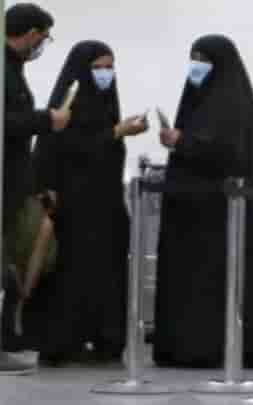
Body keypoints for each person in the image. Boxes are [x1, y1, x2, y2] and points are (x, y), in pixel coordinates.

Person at [153, 34, 253, 369]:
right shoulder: (201, 99)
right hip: (199, 212)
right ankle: (191, 346)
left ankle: (222, 347)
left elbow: (228, 153)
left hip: (224, 213)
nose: (197, 65)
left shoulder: (234, 104)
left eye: (205, 59)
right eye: (194, 57)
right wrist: (181, 142)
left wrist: (183, 142)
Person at [24, 40, 148, 366]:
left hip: (105, 206)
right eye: (97, 68)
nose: (105, 74)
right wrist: (115, 133)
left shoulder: (106, 104)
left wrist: (118, 132)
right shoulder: (66, 105)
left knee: (105, 273)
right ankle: (63, 341)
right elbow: (67, 150)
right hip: (71, 208)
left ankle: (104, 338)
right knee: (70, 275)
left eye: (109, 67)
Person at [3, 3, 68, 294]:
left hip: (14, 187)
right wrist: (47, 120)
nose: (40, 46)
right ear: (31, 34)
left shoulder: (13, 69)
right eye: (42, 39)